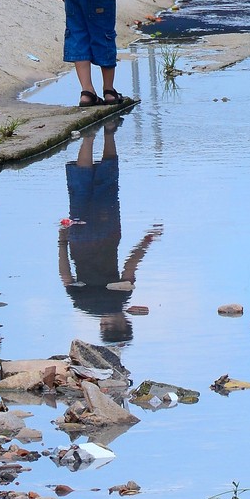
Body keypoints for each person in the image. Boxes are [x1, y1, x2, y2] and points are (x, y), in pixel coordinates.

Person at [59, 119, 161, 344]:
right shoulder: (83, 305)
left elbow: (130, 264)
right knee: (80, 189)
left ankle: (109, 132)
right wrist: (62, 241)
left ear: (125, 323)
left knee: (108, 182)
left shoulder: (120, 298)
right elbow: (66, 275)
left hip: (107, 232)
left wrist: (148, 240)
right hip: (80, 238)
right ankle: (88, 139)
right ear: (102, 327)